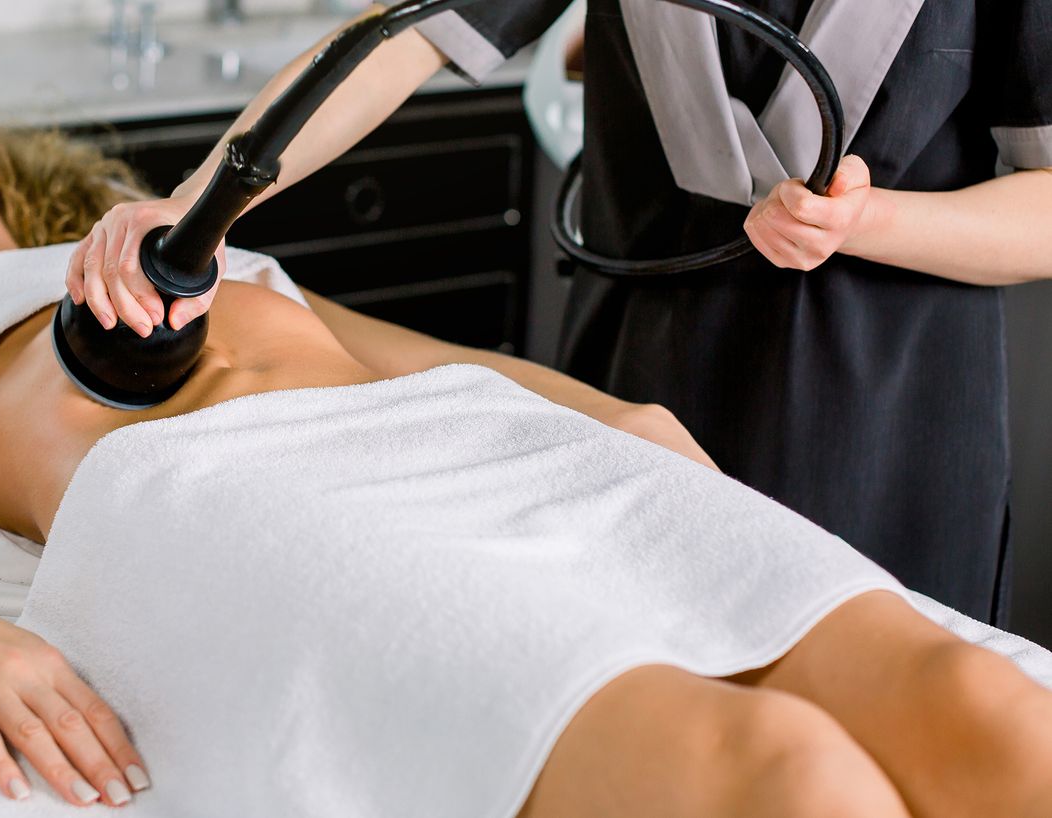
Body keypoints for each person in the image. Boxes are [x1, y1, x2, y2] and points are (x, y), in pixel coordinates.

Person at [0, 75, 1052, 816]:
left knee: (980, 703)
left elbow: (429, 363)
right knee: (780, 773)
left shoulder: (179, 239)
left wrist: (615, 422)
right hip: (228, 500)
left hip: (462, 445)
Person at [67, 1, 1052, 629]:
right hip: (635, 396)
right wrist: (200, 207)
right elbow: (400, 33)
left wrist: (869, 220)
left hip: (898, 432)